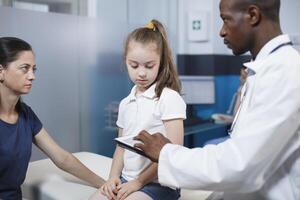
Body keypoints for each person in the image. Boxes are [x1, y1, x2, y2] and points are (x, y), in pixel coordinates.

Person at [134, 0, 300, 199]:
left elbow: (240, 165)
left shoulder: (286, 72)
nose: (221, 31)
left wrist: (166, 153)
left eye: (226, 20)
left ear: (253, 15)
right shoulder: (263, 69)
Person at [89, 20, 186, 200]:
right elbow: (120, 148)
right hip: (128, 178)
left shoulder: (169, 98)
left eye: (149, 66)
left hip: (160, 184)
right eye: (134, 65)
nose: (141, 73)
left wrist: (139, 182)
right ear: (125, 61)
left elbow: (173, 153)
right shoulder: (126, 103)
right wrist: (113, 178)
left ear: (160, 62)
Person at [0, 37, 105, 200]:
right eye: (24, 68)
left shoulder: (26, 115)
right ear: (1, 71)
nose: (32, 76)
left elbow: (61, 158)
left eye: (34, 69)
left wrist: (103, 183)